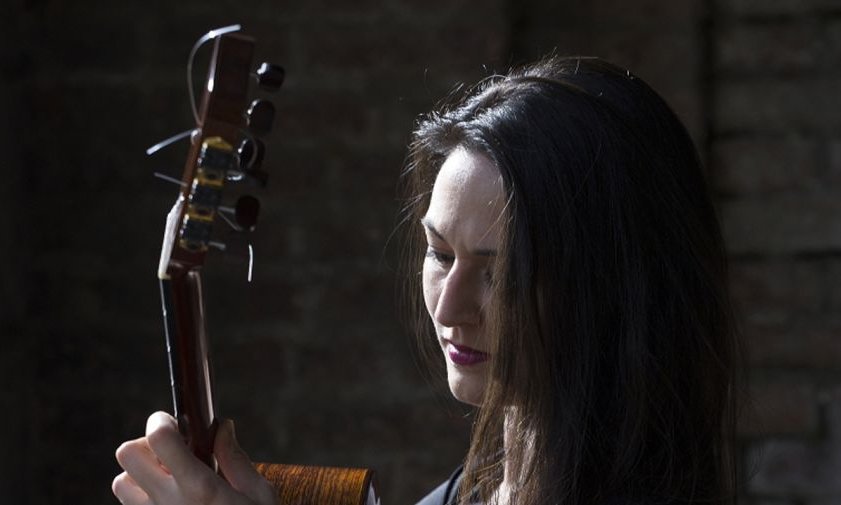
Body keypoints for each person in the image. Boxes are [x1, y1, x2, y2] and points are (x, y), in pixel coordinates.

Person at [113, 56, 740, 505]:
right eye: (440, 253)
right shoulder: (465, 494)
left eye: (504, 273)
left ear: (618, 288)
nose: (450, 306)